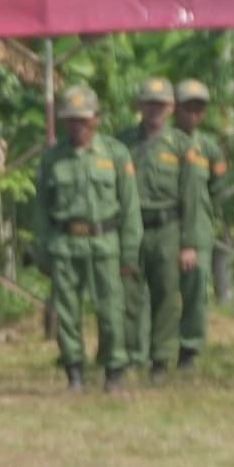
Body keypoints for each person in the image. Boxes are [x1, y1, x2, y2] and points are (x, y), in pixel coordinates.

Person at [32, 85, 140, 389]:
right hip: (65, 244)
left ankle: (114, 370)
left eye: (83, 119)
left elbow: (130, 208)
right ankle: (74, 371)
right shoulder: (53, 158)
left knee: (111, 310)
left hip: (105, 242)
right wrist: (42, 250)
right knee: (67, 311)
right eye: (70, 120)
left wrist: (130, 252)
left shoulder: (116, 154)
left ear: (97, 118)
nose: (77, 126)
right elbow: (41, 209)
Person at [125, 77, 208, 376]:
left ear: (171, 108)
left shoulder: (182, 146)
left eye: (160, 105)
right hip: (132, 228)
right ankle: (132, 355)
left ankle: (160, 358)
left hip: (168, 228)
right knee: (129, 294)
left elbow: (192, 198)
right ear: (140, 106)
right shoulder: (124, 143)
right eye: (149, 104)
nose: (154, 110)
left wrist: (189, 243)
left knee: (165, 295)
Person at [170, 77, 228, 366]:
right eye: (187, 108)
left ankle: (189, 347)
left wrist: (207, 218)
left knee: (196, 291)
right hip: (166, 227)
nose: (193, 114)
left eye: (199, 109)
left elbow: (218, 187)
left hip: (200, 229)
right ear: (175, 109)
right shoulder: (164, 142)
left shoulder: (209, 147)